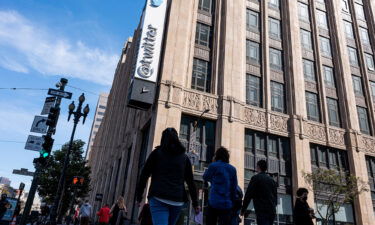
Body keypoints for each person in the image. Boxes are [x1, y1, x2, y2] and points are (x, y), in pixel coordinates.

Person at [136, 128, 199, 225]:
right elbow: (191, 182)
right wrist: (195, 203)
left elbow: (144, 175)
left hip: (158, 198)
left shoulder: (156, 154)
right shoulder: (184, 158)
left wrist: (139, 196)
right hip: (177, 200)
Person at [203, 147, 238, 225]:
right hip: (226, 204)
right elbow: (234, 188)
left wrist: (212, 162)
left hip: (214, 202)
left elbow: (205, 177)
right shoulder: (232, 169)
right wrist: (232, 203)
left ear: (217, 156)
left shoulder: (214, 166)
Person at [241, 160, 278, 225]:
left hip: (262, 210)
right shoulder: (272, 180)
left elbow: (248, 195)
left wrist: (243, 210)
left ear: (258, 167)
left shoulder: (255, 178)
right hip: (271, 211)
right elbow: (275, 198)